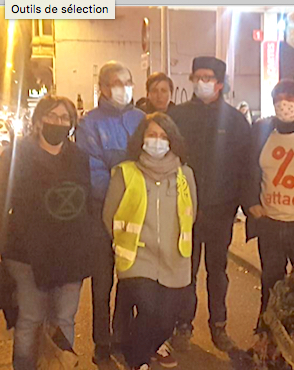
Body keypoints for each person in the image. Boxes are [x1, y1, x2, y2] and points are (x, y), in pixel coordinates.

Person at [0, 95, 96, 369]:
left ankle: (59, 365)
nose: (58, 122)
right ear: (39, 120)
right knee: (30, 318)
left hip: (69, 254)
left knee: (64, 319)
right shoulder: (17, 155)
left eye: (64, 118)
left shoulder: (79, 157)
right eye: (51, 116)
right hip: (26, 254)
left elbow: (85, 202)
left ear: (72, 124)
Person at [102, 113, 197, 370]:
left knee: (166, 321)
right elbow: (109, 215)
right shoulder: (125, 172)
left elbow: (191, 213)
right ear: (141, 139)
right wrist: (125, 241)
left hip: (174, 259)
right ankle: (138, 361)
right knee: (149, 310)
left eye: (164, 137)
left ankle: (134, 349)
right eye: (152, 135)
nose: (157, 141)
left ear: (173, 141)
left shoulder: (184, 175)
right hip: (137, 257)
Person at [168, 56, 251, 352]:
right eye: (197, 76)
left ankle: (219, 327)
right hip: (183, 212)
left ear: (219, 83)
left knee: (218, 273)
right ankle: (182, 324)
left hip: (220, 213)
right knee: (185, 272)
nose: (201, 82)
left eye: (208, 77)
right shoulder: (177, 116)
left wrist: (242, 207)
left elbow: (245, 167)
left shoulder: (235, 121)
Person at [75, 61, 145, 363]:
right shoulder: (90, 124)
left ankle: (123, 334)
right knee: (102, 281)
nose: (123, 88)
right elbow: (94, 169)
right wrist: (121, 198)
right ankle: (101, 340)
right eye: (116, 83)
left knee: (131, 279)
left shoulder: (142, 119)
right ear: (103, 88)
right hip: (102, 213)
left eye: (127, 81)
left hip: (137, 215)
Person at [245, 80, 294, 327]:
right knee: (271, 283)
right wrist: (251, 203)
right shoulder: (262, 130)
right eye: (278, 98)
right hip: (270, 224)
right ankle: (267, 335)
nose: (283, 104)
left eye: (290, 98)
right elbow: (246, 169)